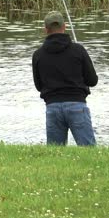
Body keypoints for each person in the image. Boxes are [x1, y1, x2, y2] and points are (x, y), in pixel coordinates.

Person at [32, 11, 98, 146]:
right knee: (89, 152)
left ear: (45, 30)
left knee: (56, 154)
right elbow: (92, 81)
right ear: (65, 26)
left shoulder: (38, 55)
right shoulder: (78, 50)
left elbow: (39, 86)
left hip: (52, 108)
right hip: (77, 105)